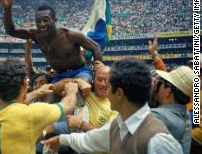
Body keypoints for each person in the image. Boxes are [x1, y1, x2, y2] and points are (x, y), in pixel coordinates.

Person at [42, 58, 183, 154]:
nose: (105, 88)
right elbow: (90, 140)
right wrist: (60, 140)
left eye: (109, 85)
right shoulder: (119, 124)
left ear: (119, 93)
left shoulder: (160, 142)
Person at [0, 0, 103, 85]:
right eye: (38, 21)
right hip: (59, 75)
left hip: (80, 72)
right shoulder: (35, 34)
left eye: (45, 20)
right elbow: (11, 31)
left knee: (77, 87)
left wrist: (98, 72)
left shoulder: (70, 34)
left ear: (55, 21)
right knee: (49, 99)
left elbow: (96, 47)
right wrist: (7, 8)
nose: (42, 24)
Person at [0, 58, 78, 154]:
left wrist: (37, 92)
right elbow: (67, 106)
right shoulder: (31, 113)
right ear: (24, 84)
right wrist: (72, 90)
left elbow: (11, 104)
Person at [151, 66, 195, 154]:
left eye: (160, 83)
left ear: (168, 91)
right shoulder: (184, 114)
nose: (155, 85)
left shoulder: (156, 117)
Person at [68, 65, 118, 132]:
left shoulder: (116, 106)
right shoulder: (85, 92)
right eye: (100, 80)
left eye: (107, 80)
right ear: (93, 81)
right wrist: (78, 81)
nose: (103, 84)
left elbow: (107, 134)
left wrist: (81, 124)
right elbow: (57, 87)